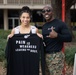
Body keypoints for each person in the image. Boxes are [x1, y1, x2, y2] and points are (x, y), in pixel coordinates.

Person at [42, 5, 72, 75]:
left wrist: (57, 35)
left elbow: (69, 37)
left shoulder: (60, 23)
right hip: (46, 56)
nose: (46, 12)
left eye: (48, 10)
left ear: (52, 12)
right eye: (43, 11)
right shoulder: (44, 26)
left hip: (56, 56)